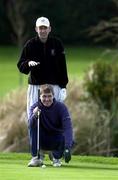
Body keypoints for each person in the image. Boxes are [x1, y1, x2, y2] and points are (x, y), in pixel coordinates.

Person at [17, 16, 68, 119]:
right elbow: (20, 65)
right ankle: (35, 136)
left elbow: (63, 67)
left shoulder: (57, 44)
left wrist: (63, 87)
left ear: (49, 29)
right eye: (40, 28)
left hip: (54, 87)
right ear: (36, 29)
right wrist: (28, 63)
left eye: (45, 28)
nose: (43, 30)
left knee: (54, 119)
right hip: (36, 87)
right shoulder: (30, 45)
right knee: (34, 118)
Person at [28, 84, 73, 167]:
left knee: (64, 134)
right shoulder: (35, 107)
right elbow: (30, 126)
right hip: (41, 140)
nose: (47, 99)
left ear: (53, 96)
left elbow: (68, 128)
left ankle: (56, 157)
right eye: (44, 96)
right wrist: (34, 116)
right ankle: (36, 157)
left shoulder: (61, 107)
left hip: (56, 139)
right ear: (40, 97)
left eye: (49, 96)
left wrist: (67, 148)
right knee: (33, 125)